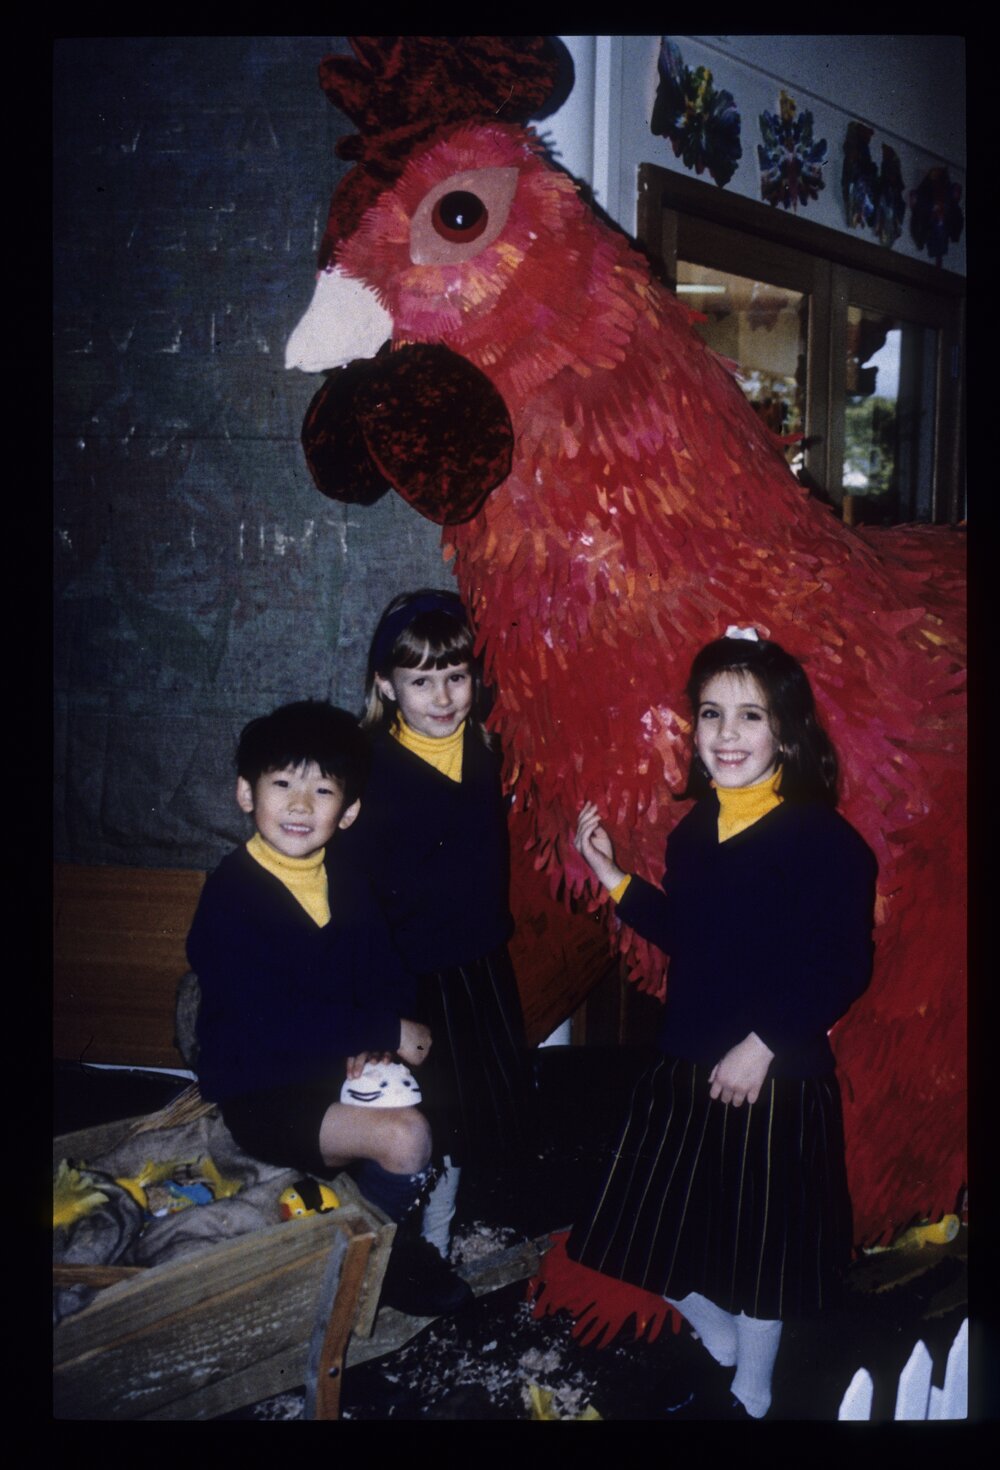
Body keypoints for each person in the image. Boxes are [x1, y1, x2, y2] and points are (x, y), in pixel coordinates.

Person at [568, 628, 878, 1419]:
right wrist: (614, 878)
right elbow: (691, 934)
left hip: (776, 1077)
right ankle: (722, 1343)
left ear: (786, 733)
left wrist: (763, 1045)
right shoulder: (692, 832)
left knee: (759, 1254)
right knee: (638, 1229)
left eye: (750, 715)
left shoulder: (825, 841)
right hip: (686, 1060)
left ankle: (751, 1393)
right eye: (712, 713)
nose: (727, 734)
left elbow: (843, 965)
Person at [186, 698, 472, 1316]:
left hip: (337, 1066)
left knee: (443, 1089)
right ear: (246, 793)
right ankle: (377, 1258)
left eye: (322, 791)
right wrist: (383, 1028)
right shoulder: (230, 897)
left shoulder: (345, 880)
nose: (299, 806)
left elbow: (386, 970)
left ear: (348, 812)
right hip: (264, 1089)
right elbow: (270, 1019)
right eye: (281, 785)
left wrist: (378, 1040)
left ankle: (378, 1228)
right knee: (408, 1138)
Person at [340, 589, 531, 1261]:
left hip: (478, 968)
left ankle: (440, 1235)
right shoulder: (366, 772)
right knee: (423, 1117)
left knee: (470, 1116)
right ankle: (402, 1248)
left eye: (456, 676)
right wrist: (374, 1014)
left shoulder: (487, 749)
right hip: (409, 980)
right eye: (421, 681)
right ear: (385, 685)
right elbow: (351, 906)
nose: (443, 697)